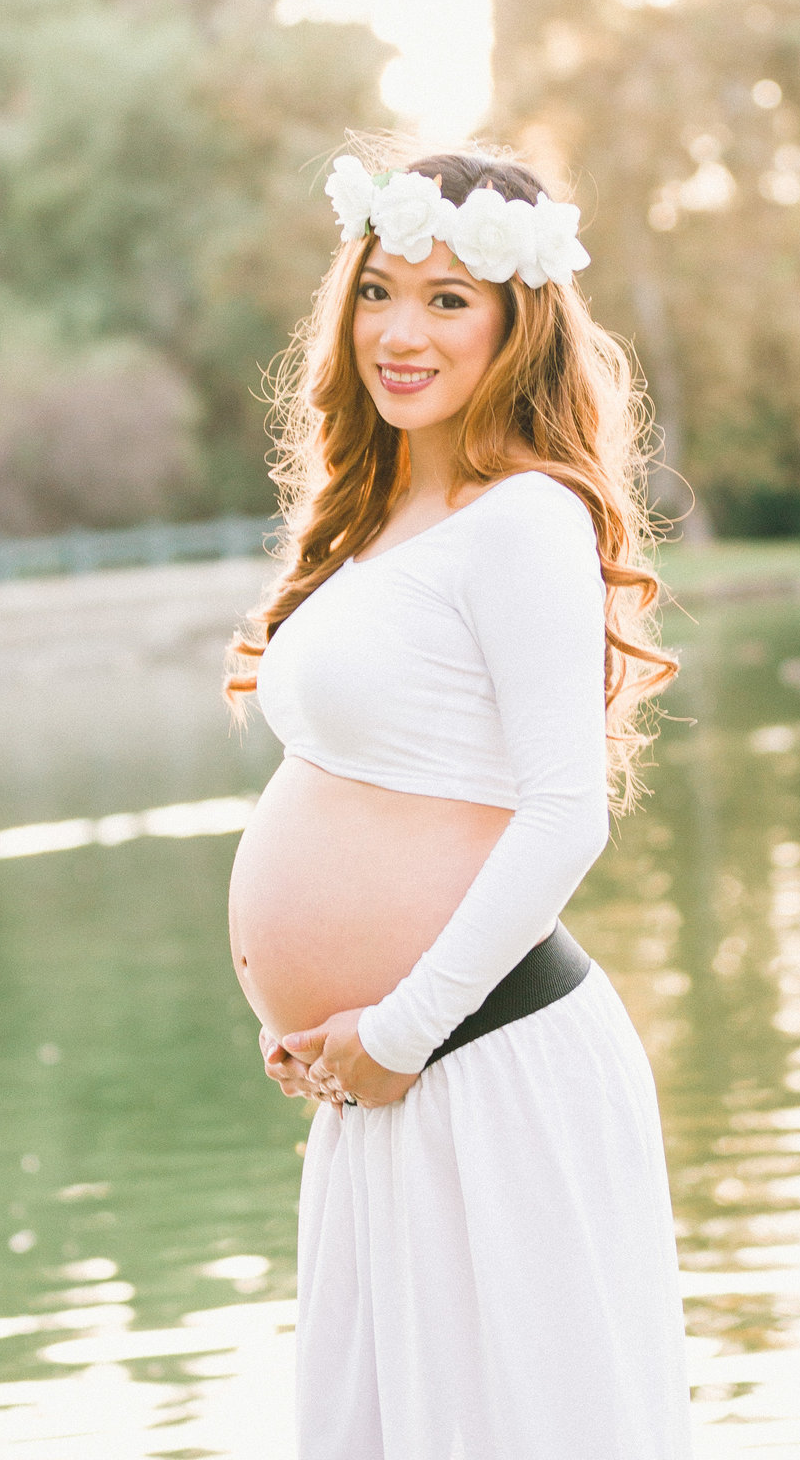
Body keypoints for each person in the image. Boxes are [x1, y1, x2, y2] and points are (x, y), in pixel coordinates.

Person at [224, 145, 693, 1459]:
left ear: (516, 323)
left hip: (482, 1062)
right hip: (382, 1077)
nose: (403, 330)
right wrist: (321, 1023)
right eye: (382, 290)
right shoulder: (373, 522)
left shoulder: (525, 516)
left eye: (449, 299)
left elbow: (565, 811)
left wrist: (405, 1023)